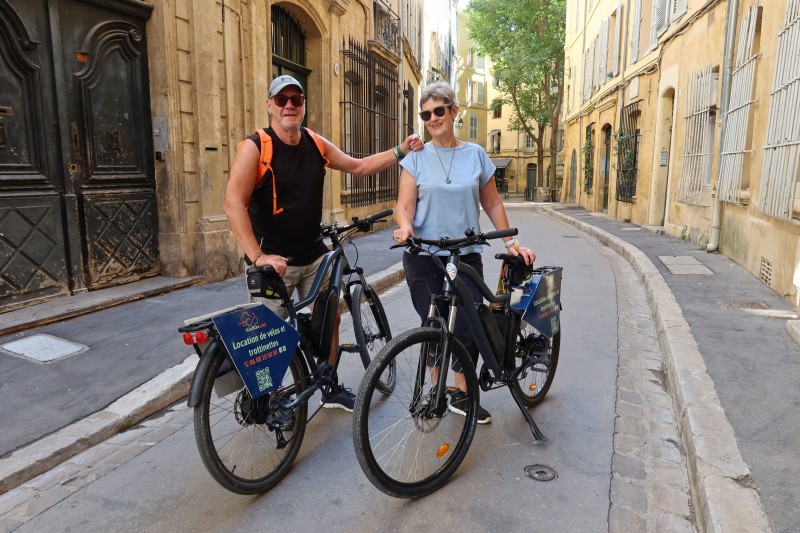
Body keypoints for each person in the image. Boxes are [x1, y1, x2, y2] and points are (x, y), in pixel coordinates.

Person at [224, 75, 423, 412]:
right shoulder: (256, 147)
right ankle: (268, 402)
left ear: (303, 105)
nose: (289, 105)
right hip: (274, 262)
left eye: (296, 100)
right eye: (282, 99)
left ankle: (328, 383)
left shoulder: (315, 143)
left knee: (329, 320)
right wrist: (257, 257)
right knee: (265, 339)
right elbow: (233, 204)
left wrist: (400, 150)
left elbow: (358, 167)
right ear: (269, 105)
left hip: (314, 256)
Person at [393, 81, 536, 424]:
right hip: (424, 256)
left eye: (438, 111)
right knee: (435, 324)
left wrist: (511, 245)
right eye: (425, 114)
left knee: (470, 325)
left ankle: (462, 392)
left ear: (454, 111)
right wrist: (406, 227)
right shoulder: (416, 157)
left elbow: (492, 203)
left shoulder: (475, 155)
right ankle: (437, 391)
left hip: (464, 255)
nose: (432, 119)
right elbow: (404, 205)